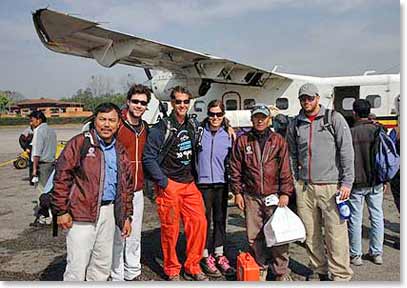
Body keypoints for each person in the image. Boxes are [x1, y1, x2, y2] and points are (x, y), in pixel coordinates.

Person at [52, 103, 134, 281]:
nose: (106, 124)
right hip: (81, 215)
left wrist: (126, 215)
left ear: (119, 123)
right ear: (94, 121)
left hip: (109, 213)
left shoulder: (120, 150)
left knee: (101, 266)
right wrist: (61, 211)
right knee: (77, 266)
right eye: (102, 119)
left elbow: (126, 187)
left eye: (111, 120)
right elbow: (61, 177)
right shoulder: (80, 143)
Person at [286, 83, 354, 281]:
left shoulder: (334, 118)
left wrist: (347, 182)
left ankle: (341, 275)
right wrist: (295, 180)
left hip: (332, 187)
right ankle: (319, 270)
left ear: (317, 98)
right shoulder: (295, 124)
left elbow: (346, 151)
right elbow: (291, 154)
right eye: (303, 99)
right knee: (311, 233)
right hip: (305, 187)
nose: (306, 102)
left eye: (310, 98)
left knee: (336, 234)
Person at [143, 86, 208, 281]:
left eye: (185, 102)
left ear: (190, 104)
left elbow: (212, 126)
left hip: (189, 184)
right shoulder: (161, 128)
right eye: (178, 101)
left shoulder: (192, 125)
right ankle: (172, 268)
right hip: (169, 184)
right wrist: (164, 182)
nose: (182, 105)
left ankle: (193, 266)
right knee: (170, 229)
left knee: (199, 223)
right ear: (172, 103)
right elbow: (148, 157)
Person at [230, 103, 294, 281]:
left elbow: (285, 169)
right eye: (256, 117)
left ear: (268, 119)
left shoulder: (278, 140)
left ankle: (281, 271)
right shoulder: (243, 141)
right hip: (251, 195)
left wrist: (285, 193)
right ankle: (261, 266)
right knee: (254, 235)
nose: (259, 120)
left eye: (263, 117)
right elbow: (235, 168)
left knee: (279, 235)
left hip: (274, 196)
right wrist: (237, 192)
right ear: (251, 119)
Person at [111, 84, 151, 281]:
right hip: (118, 190)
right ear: (128, 102)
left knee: (135, 234)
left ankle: (133, 271)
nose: (139, 105)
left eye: (143, 103)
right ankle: (116, 274)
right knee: (118, 234)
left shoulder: (145, 128)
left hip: (137, 189)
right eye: (135, 101)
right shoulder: (116, 125)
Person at [197, 100, 235, 277]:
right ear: (207, 114)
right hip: (203, 184)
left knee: (220, 219)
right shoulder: (198, 132)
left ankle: (219, 254)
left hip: (221, 183)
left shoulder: (228, 135)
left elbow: (234, 160)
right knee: (204, 221)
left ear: (223, 116)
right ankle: (205, 256)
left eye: (219, 114)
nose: (215, 118)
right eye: (212, 114)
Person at [348, 99, 385, 266]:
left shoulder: (350, 132)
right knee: (377, 216)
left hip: (357, 182)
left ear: (355, 113)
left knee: (355, 218)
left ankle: (356, 256)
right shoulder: (378, 130)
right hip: (376, 180)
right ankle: (376, 253)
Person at [29, 111, 57, 192]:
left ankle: (42, 204)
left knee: (42, 190)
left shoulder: (38, 130)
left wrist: (34, 169)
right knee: (50, 188)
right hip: (51, 163)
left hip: (42, 166)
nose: (31, 123)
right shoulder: (51, 130)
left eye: (32, 120)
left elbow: (37, 152)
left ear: (39, 120)